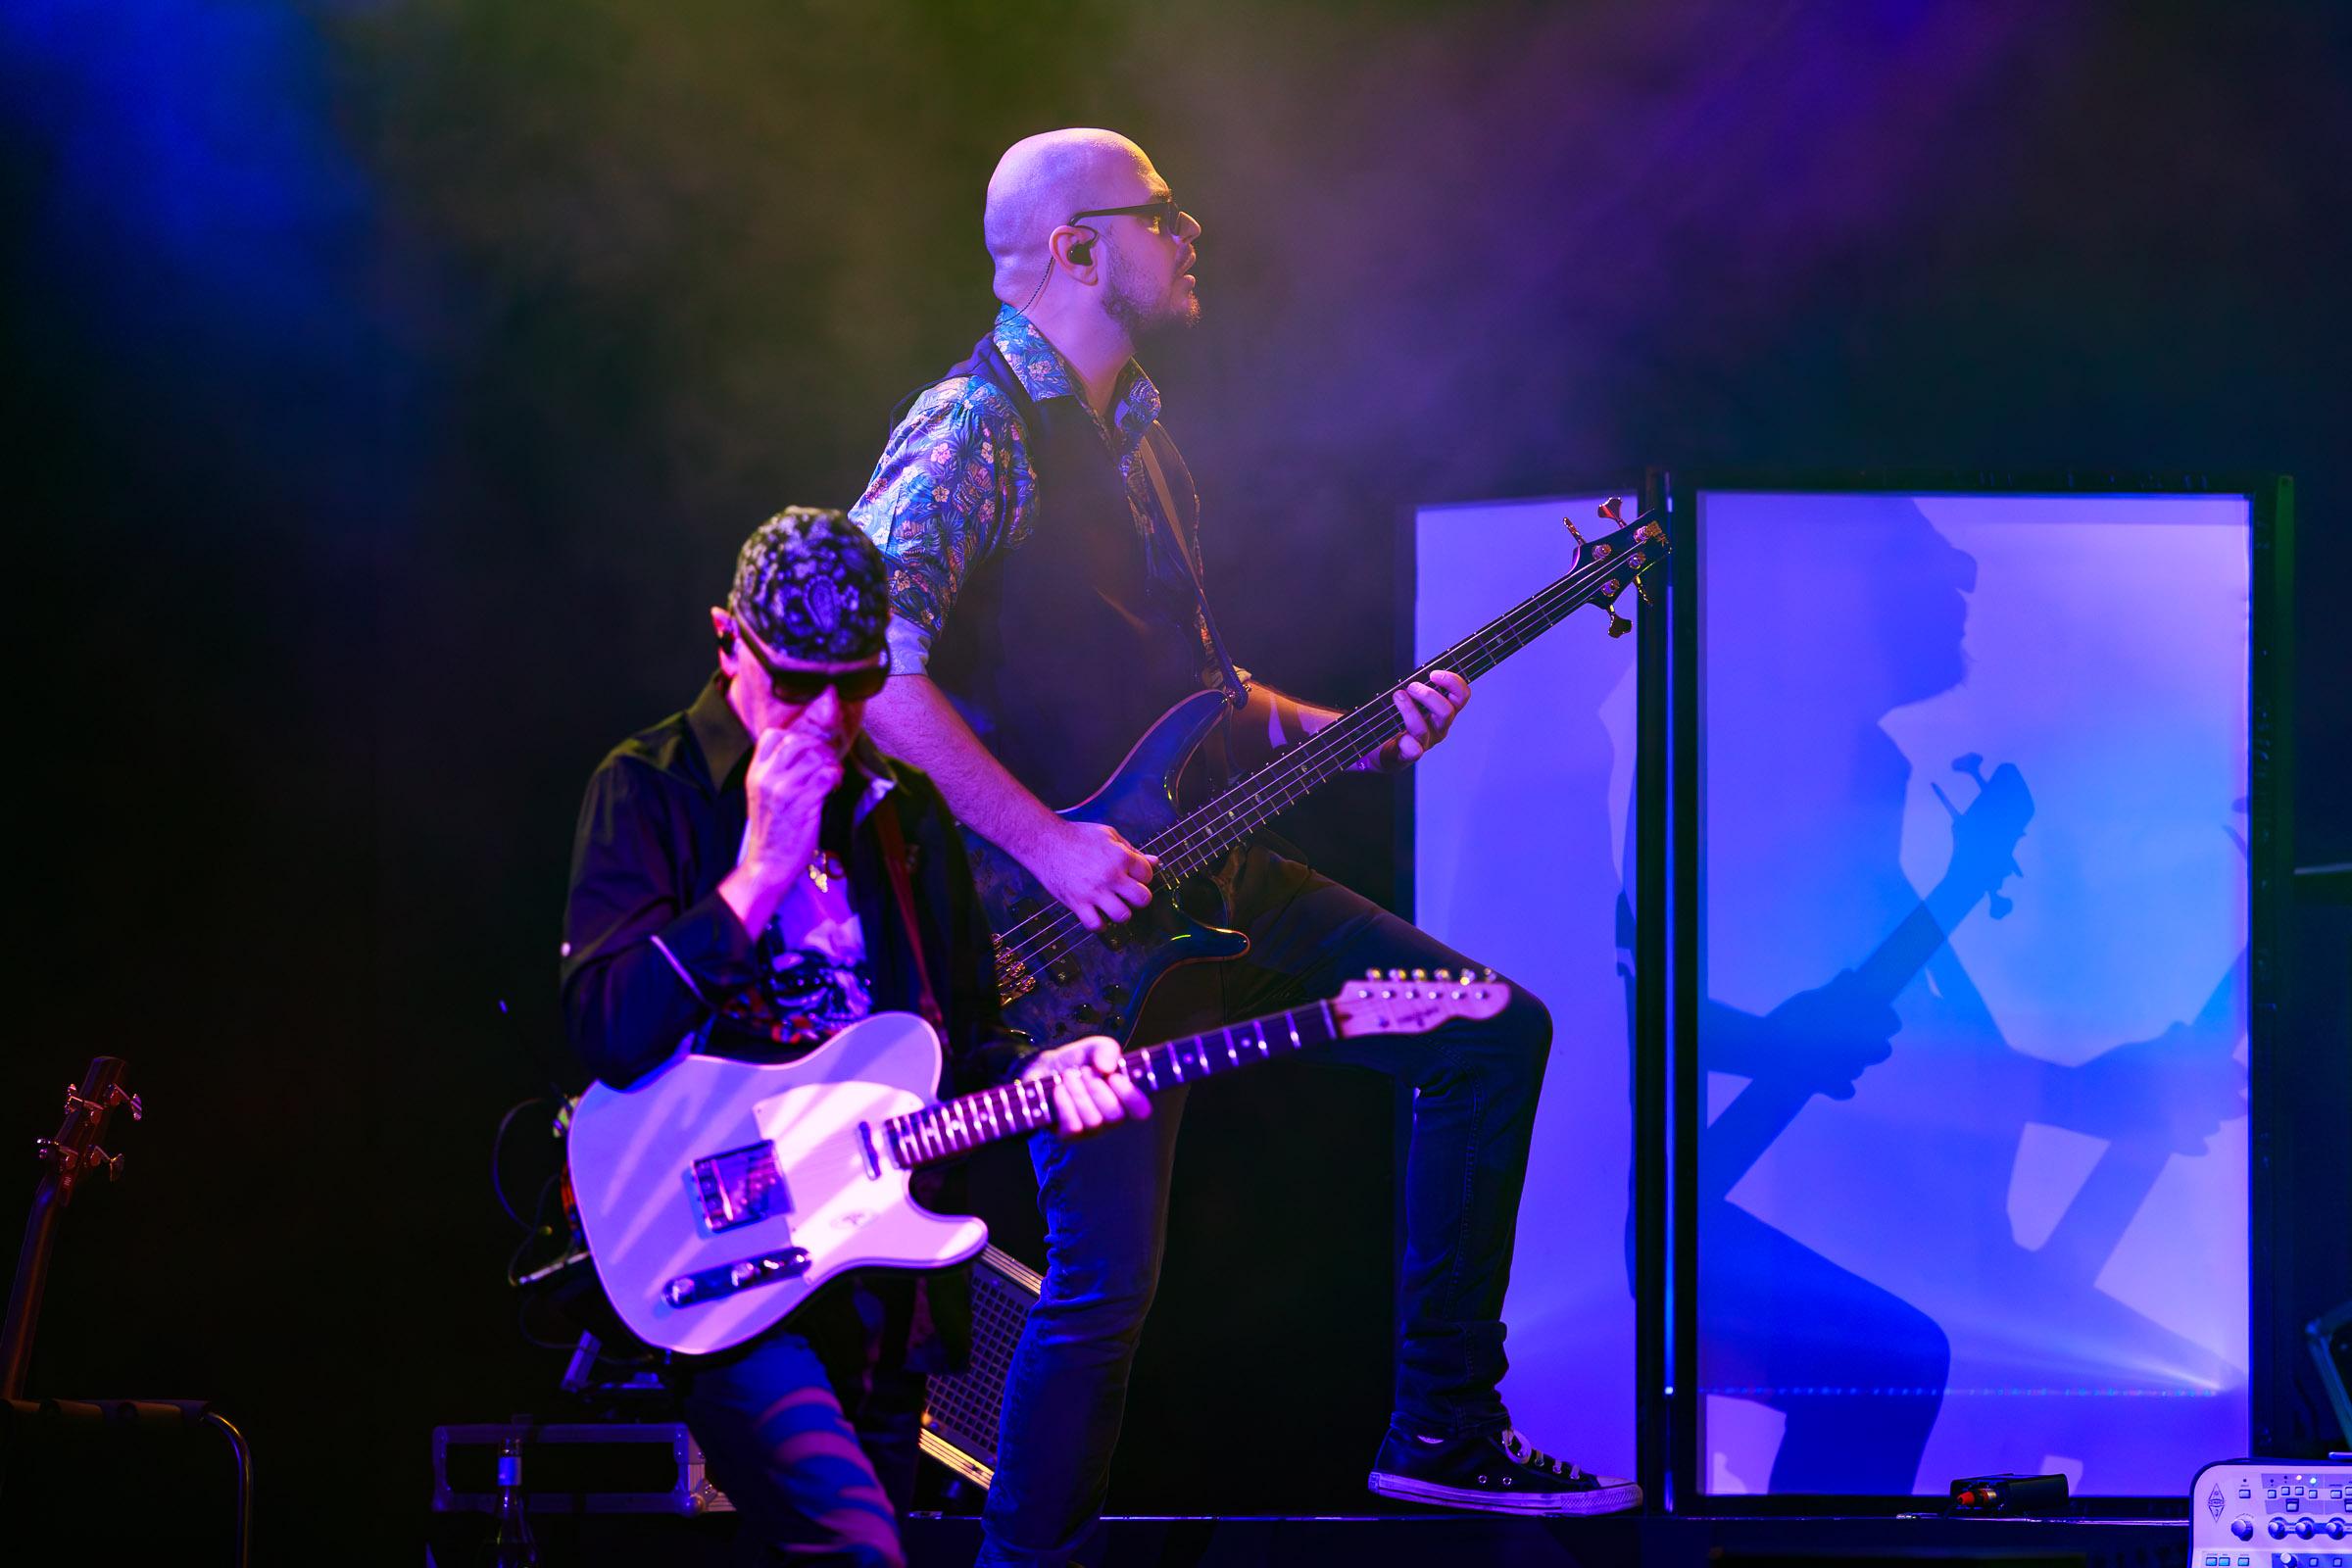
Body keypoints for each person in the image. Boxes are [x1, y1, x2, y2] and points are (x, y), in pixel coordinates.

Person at [850, 128, 1636, 1564]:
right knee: (1104, 1286)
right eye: (1161, 214)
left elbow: (1205, 696)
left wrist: (1349, 728)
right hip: (1060, 931)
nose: (1190, 233)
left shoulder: (1144, 440)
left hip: (1204, 875)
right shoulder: (971, 430)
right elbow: (868, 678)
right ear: (1077, 248)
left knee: (1486, 1032)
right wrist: (1052, 845)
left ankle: (1442, 1428)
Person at [559, 507, 1148, 1568]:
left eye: (860, 682)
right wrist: (756, 879)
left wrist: (1040, 1072)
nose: (830, 718)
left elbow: (963, 1041)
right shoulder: (651, 787)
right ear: (728, 642)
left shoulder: (904, 811)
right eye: (797, 684)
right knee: (857, 1548)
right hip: (726, 1245)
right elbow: (607, 1030)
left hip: (879, 1271)